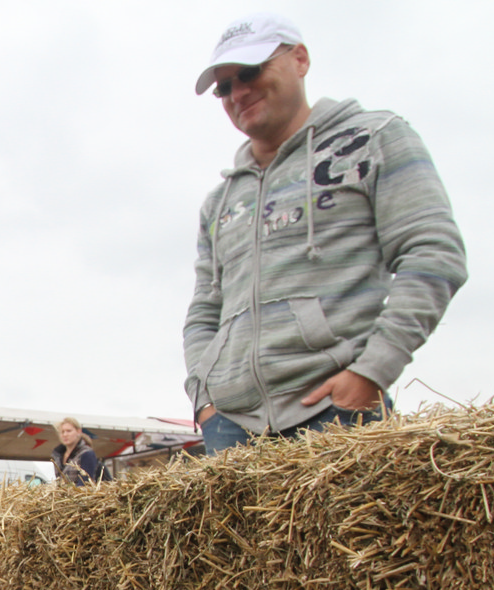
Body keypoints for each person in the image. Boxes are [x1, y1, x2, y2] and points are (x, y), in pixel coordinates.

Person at [183, 14, 468, 454]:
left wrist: (372, 371)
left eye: (251, 71)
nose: (238, 93)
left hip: (336, 408)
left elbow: (433, 252)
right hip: (231, 427)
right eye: (224, 87)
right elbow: (205, 309)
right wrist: (205, 400)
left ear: (300, 59)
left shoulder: (373, 139)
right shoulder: (220, 201)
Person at [50, 418, 110, 485]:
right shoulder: (57, 455)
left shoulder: (87, 454)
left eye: (69, 431)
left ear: (78, 431)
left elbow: (84, 483)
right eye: (62, 432)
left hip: (78, 491)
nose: (65, 435)